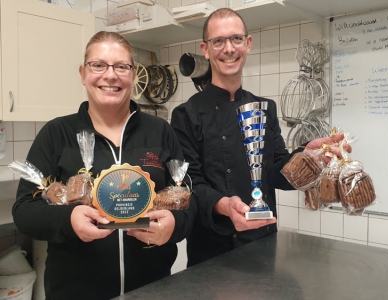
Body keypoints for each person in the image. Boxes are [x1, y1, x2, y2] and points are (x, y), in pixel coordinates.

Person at [12, 31, 196, 300]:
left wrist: (174, 226)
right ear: (83, 74)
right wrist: (69, 220)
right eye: (98, 65)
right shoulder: (57, 133)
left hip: (153, 289)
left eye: (121, 66)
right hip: (74, 291)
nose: (110, 75)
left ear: (133, 76)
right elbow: (24, 210)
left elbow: (189, 200)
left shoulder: (159, 132)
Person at [171, 8, 350, 267]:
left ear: (248, 44)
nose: (229, 49)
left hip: (263, 245)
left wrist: (307, 158)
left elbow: (277, 172)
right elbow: (191, 186)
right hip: (212, 253)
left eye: (236, 39)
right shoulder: (186, 114)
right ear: (205, 49)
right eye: (218, 41)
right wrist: (225, 205)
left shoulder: (265, 108)